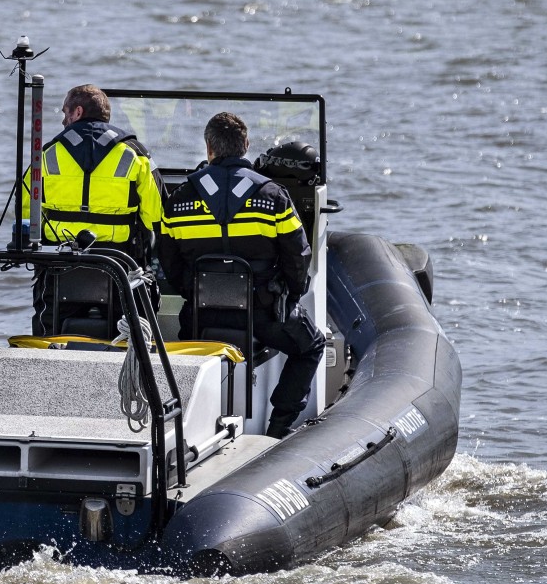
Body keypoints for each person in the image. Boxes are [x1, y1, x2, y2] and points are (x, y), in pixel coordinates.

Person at [158, 112, 325, 438]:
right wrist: (288, 297)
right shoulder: (273, 196)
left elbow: (169, 262)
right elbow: (299, 257)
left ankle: (190, 429)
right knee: (311, 346)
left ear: (209, 148)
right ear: (245, 146)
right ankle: (278, 430)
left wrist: (193, 292)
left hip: (199, 317)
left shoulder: (179, 199)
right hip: (262, 314)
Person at [24, 84, 163, 335]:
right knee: (131, 329)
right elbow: (155, 214)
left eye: (65, 112)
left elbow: (26, 210)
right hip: (118, 263)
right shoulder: (136, 153)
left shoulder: (47, 153)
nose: (63, 119)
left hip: (60, 264)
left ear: (78, 112)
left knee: (50, 331)